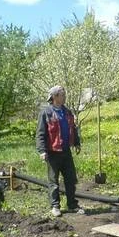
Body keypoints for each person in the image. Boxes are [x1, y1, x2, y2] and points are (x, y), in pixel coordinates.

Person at [36, 85, 84, 217]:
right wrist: (42, 150)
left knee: (70, 179)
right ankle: (55, 206)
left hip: (65, 151)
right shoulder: (46, 113)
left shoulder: (67, 112)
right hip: (52, 152)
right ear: (55, 97)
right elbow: (40, 134)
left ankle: (72, 205)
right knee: (54, 181)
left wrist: (76, 142)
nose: (65, 97)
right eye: (62, 95)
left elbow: (72, 128)